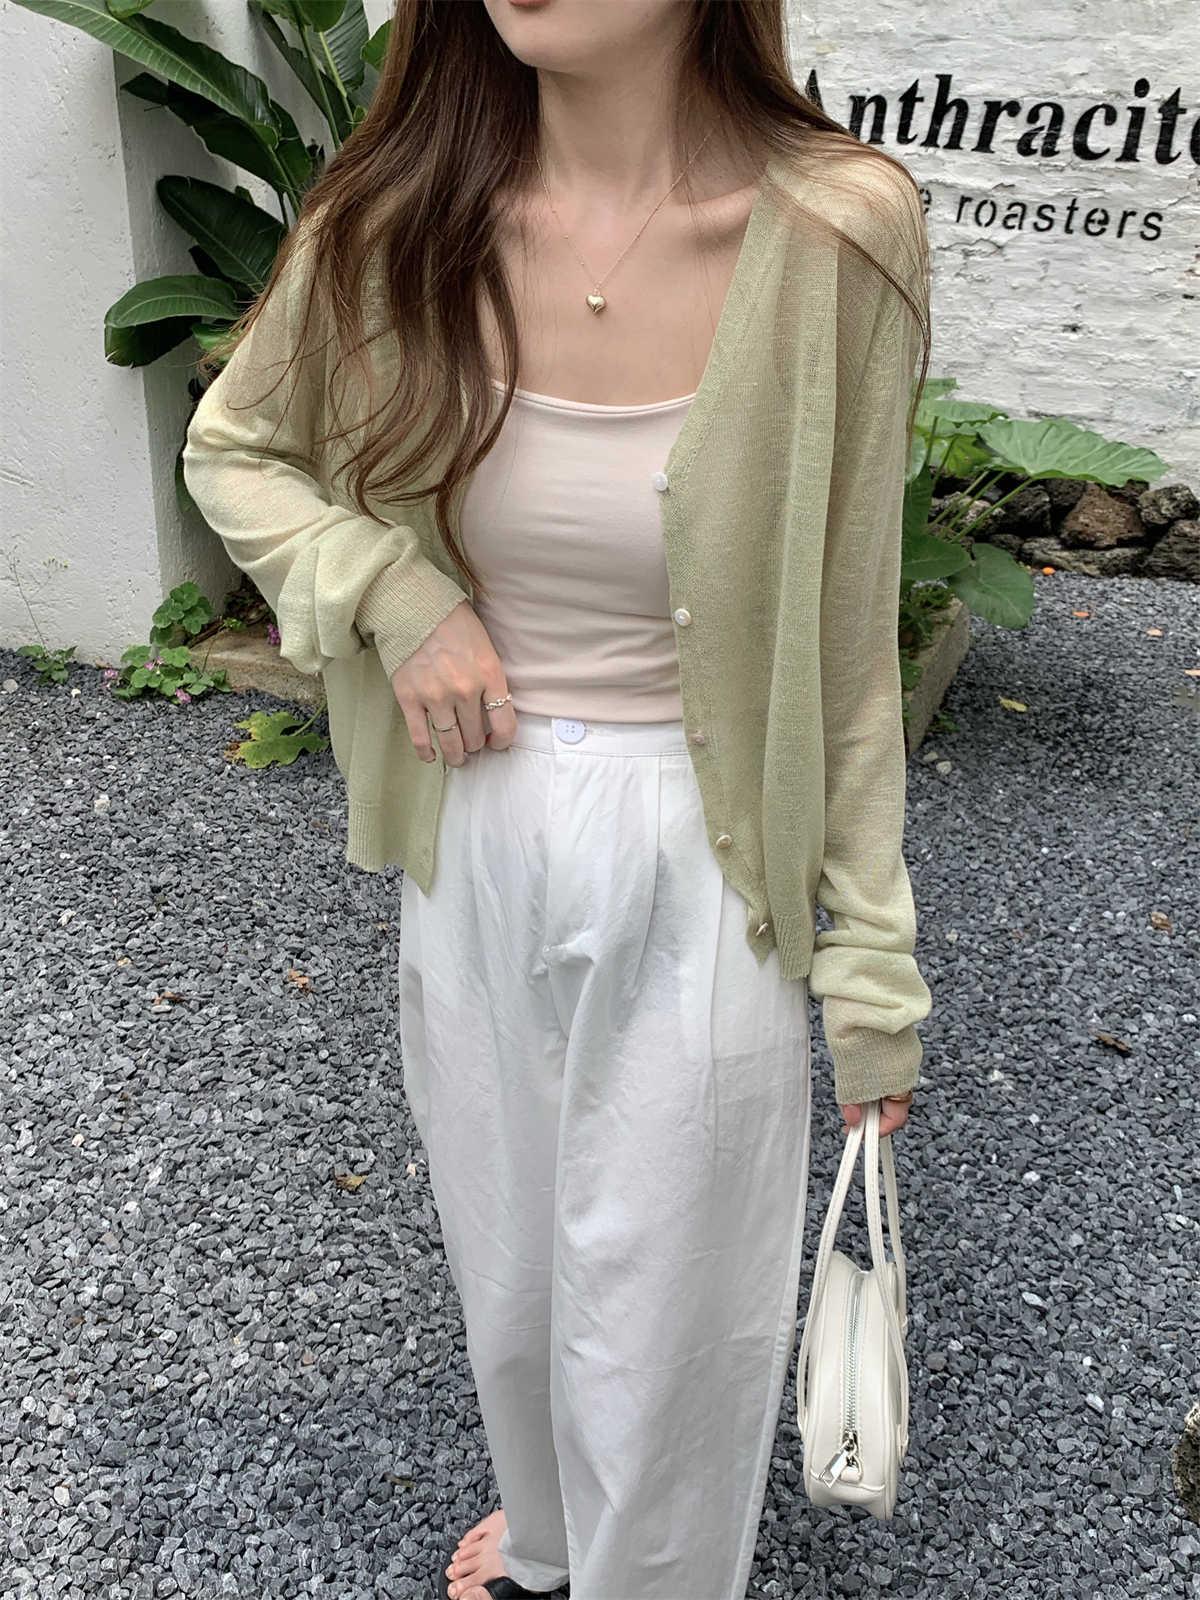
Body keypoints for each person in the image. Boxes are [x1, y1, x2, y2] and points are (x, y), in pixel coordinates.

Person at [182, 3, 934, 1596]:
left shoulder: (838, 231)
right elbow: (236, 446)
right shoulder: (400, 213)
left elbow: (849, 633)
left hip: (704, 849)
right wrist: (391, 591)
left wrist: (871, 969)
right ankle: (548, 1544)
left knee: (668, 1321)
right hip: (476, 824)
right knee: (516, 1280)